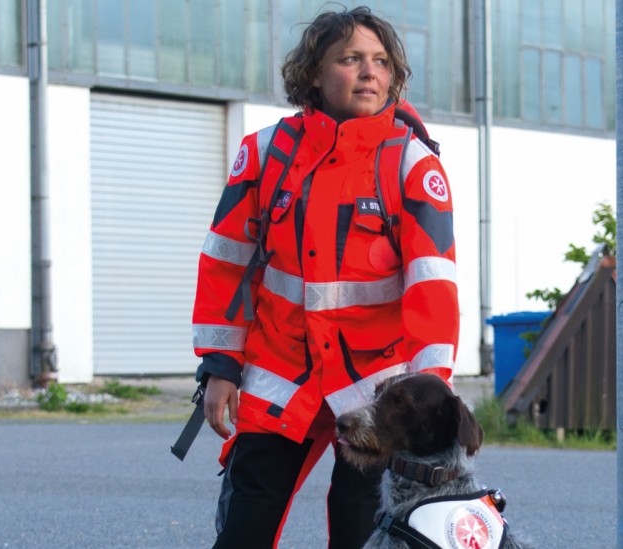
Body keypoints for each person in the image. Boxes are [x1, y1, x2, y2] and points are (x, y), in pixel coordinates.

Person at [191, 6, 459, 548]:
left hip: (373, 388)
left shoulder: (412, 164)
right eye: (350, 59)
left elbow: (433, 285)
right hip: (279, 376)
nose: (369, 72)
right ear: (313, 72)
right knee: (245, 527)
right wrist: (220, 364)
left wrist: (433, 396)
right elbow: (227, 262)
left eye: (380, 61)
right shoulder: (264, 154)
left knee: (363, 532)